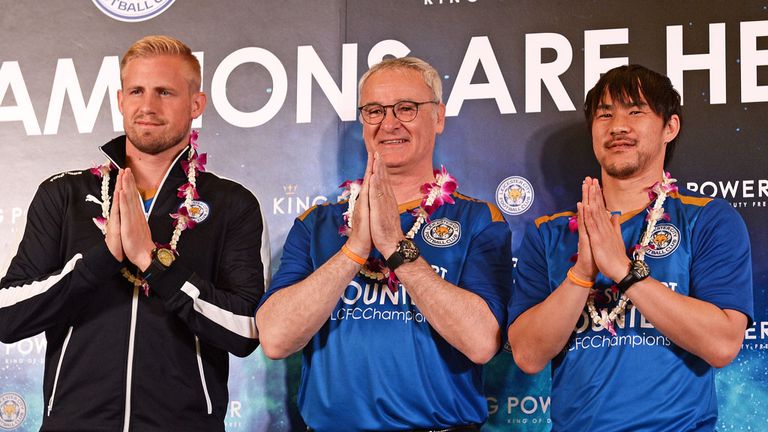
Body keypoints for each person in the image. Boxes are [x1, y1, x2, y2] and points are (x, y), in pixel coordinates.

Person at [0, 35, 267, 431]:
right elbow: (8, 317)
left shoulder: (231, 203)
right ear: (121, 99)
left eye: (165, 92)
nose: (148, 106)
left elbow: (246, 330)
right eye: (137, 91)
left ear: (196, 104)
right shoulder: (64, 193)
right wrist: (101, 260)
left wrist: (154, 263)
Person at [256, 57, 512, 431]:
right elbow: (276, 339)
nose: (389, 123)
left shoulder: (477, 220)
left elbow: (481, 343)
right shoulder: (318, 223)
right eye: (374, 110)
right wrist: (352, 252)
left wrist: (395, 246)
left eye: (406, 109)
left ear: (438, 117)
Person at [507, 64, 753, 431]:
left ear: (670, 127)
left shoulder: (708, 219)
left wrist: (623, 271)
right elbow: (528, 354)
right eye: (605, 114)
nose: (617, 126)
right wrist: (581, 275)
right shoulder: (550, 232)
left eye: (635, 111)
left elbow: (721, 344)